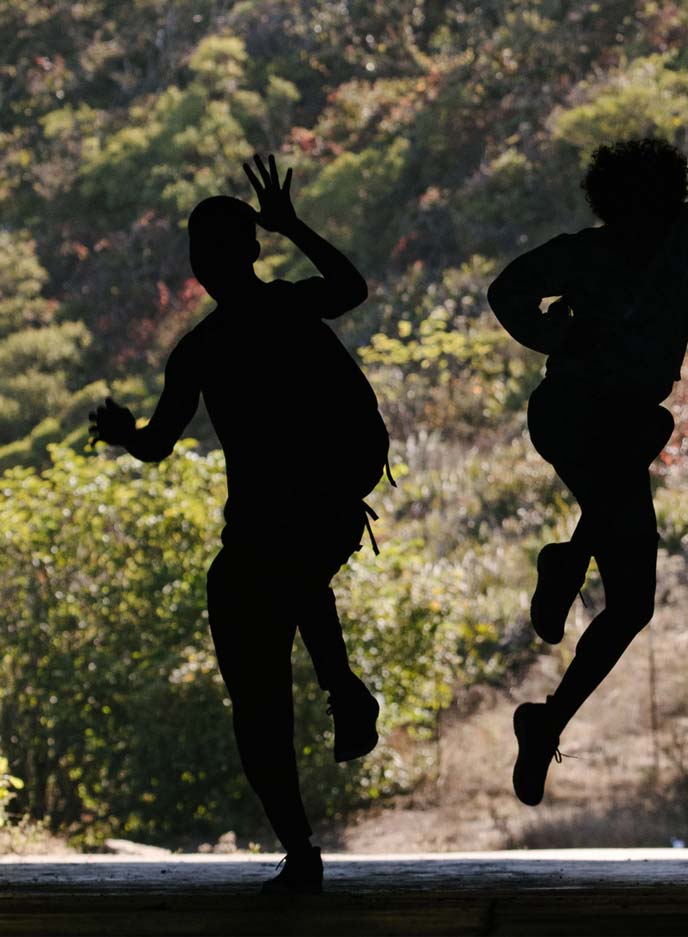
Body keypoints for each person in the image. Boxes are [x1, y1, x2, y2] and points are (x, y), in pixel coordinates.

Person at [89, 154, 390, 893]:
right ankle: (339, 696)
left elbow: (157, 444)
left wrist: (129, 434)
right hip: (291, 530)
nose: (211, 261)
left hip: (295, 524)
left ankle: (321, 768)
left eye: (219, 246)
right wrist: (129, 433)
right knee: (262, 654)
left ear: (241, 254)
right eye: (205, 249)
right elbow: (159, 442)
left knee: (262, 645)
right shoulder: (217, 341)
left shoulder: (240, 330)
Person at [487, 46, 688, 806]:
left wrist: (555, 337)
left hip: (575, 418)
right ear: (668, 191)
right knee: (636, 489)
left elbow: (507, 289)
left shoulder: (588, 252)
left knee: (634, 592)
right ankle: (564, 575)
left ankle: (548, 708)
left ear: (607, 198)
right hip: (601, 421)